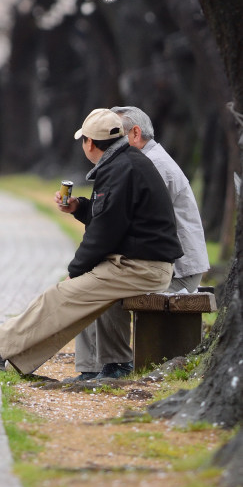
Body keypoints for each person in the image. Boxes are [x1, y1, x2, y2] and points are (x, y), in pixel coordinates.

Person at [0, 108, 182, 377]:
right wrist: (79, 207)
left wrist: (76, 271)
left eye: (83, 140)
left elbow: (104, 232)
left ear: (90, 143)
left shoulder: (120, 170)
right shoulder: (127, 162)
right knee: (66, 299)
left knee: (59, 296)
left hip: (141, 268)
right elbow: (114, 215)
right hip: (140, 263)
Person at [71, 105, 210, 380]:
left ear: (135, 133)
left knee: (101, 286)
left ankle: (116, 364)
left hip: (176, 271)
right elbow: (117, 216)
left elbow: (122, 222)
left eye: (117, 135)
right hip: (156, 263)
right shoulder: (135, 163)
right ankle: (92, 368)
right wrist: (81, 208)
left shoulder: (151, 165)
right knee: (89, 280)